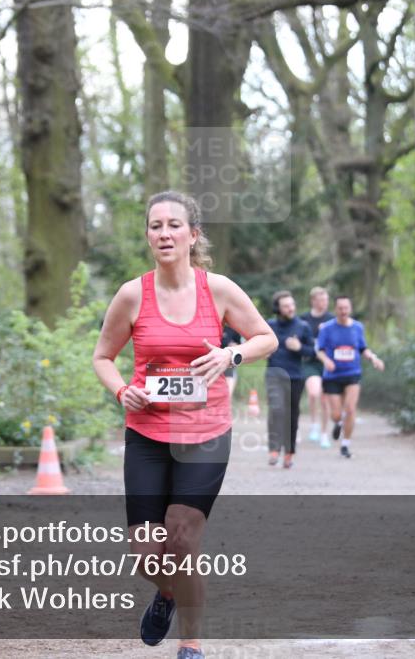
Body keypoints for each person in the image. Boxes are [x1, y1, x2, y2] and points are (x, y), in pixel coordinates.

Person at [92, 191, 278, 659]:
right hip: (147, 434)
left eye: (175, 225)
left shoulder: (218, 290)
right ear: (148, 236)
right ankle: (169, 593)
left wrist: (229, 353)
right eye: (156, 226)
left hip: (205, 434)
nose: (165, 233)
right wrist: (120, 390)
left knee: (181, 540)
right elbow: (103, 358)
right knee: (145, 555)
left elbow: (265, 338)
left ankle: (190, 645)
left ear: (193, 235)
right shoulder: (133, 294)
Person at [314, 296, 385, 459]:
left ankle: (345, 444)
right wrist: (326, 361)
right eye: (340, 308)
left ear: (350, 309)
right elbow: (319, 350)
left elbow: (363, 348)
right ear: (336, 309)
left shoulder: (357, 328)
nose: (343, 311)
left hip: (352, 373)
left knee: (351, 409)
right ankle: (338, 423)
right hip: (332, 376)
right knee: (336, 414)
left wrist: (374, 358)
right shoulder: (327, 328)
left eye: (346, 308)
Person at [265, 290, 315, 468]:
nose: (290, 308)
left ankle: (289, 452)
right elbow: (257, 343)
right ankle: (274, 449)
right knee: (276, 410)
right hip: (274, 374)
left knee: (292, 415)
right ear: (277, 308)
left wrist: (299, 347)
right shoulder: (268, 325)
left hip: (295, 376)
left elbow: (312, 352)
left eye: (292, 305)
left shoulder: (303, 326)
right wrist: (264, 351)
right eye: (286, 306)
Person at [299, 286, 335, 447]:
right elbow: (299, 340)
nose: (324, 303)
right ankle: (313, 424)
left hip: (328, 362)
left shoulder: (332, 319)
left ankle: (324, 433)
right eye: (321, 300)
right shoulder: (303, 319)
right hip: (310, 362)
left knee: (324, 399)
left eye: (326, 300)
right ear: (313, 301)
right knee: (314, 393)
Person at [220, 324, 242, 400]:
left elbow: (239, 345)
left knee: (227, 394)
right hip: (211, 363)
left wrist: (234, 346)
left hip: (228, 365)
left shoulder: (233, 329)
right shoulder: (212, 327)